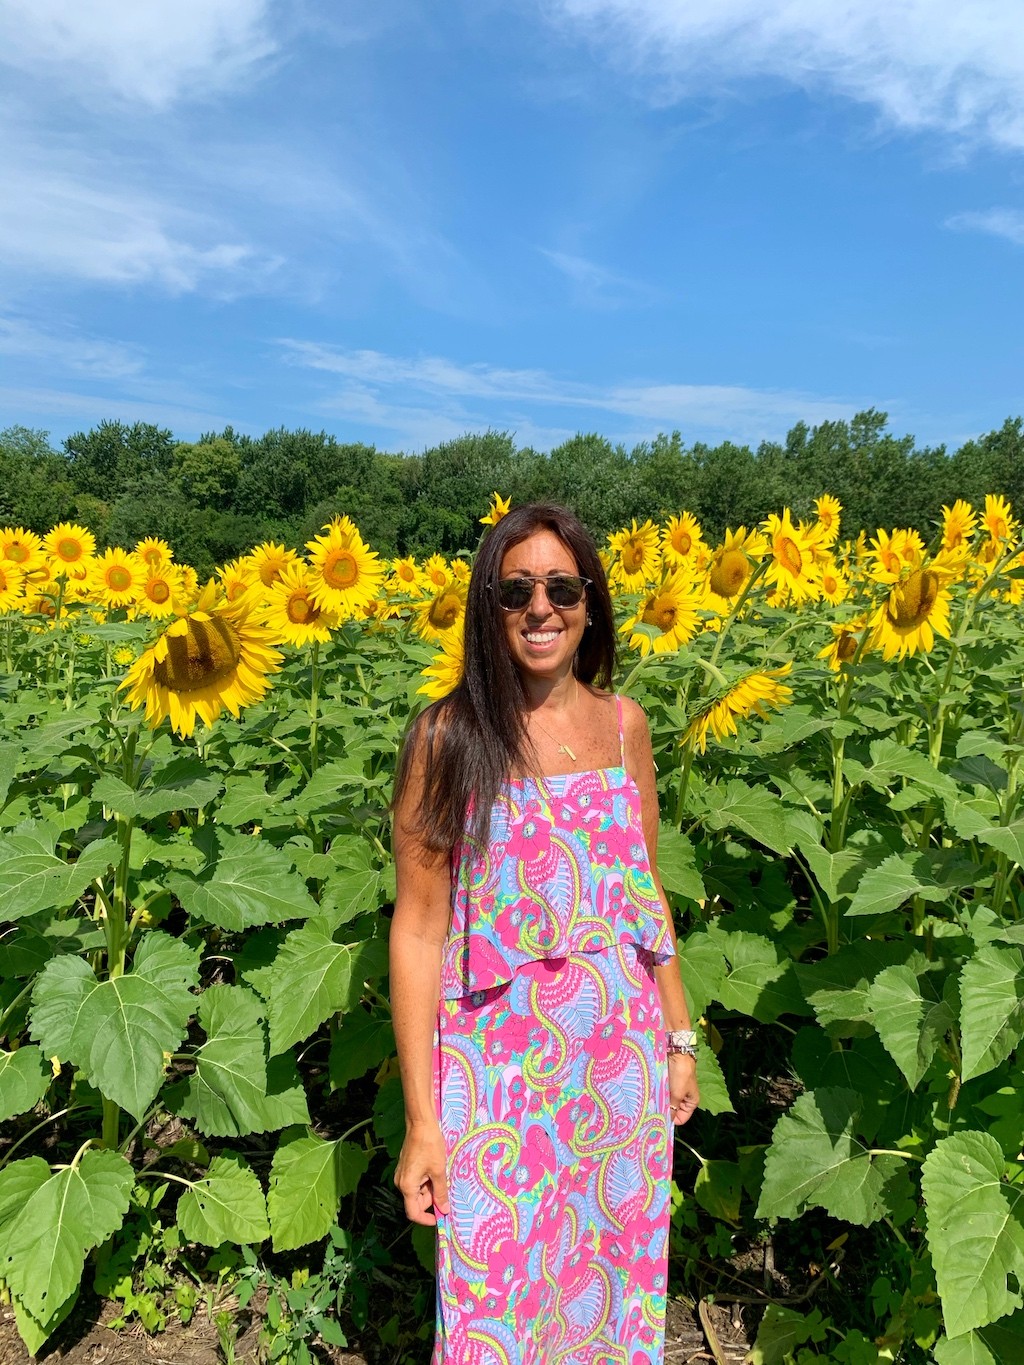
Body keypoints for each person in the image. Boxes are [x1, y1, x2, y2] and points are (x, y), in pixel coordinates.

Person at [390, 502, 699, 1364]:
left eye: (562, 586)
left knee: (609, 1270)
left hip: (617, 1064)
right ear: (485, 606)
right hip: (498, 1080)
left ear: (590, 604)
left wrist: (680, 1033)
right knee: (494, 1296)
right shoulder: (448, 739)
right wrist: (424, 1121)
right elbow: (417, 932)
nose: (540, 607)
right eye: (515, 587)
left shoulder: (624, 726)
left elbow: (646, 891)